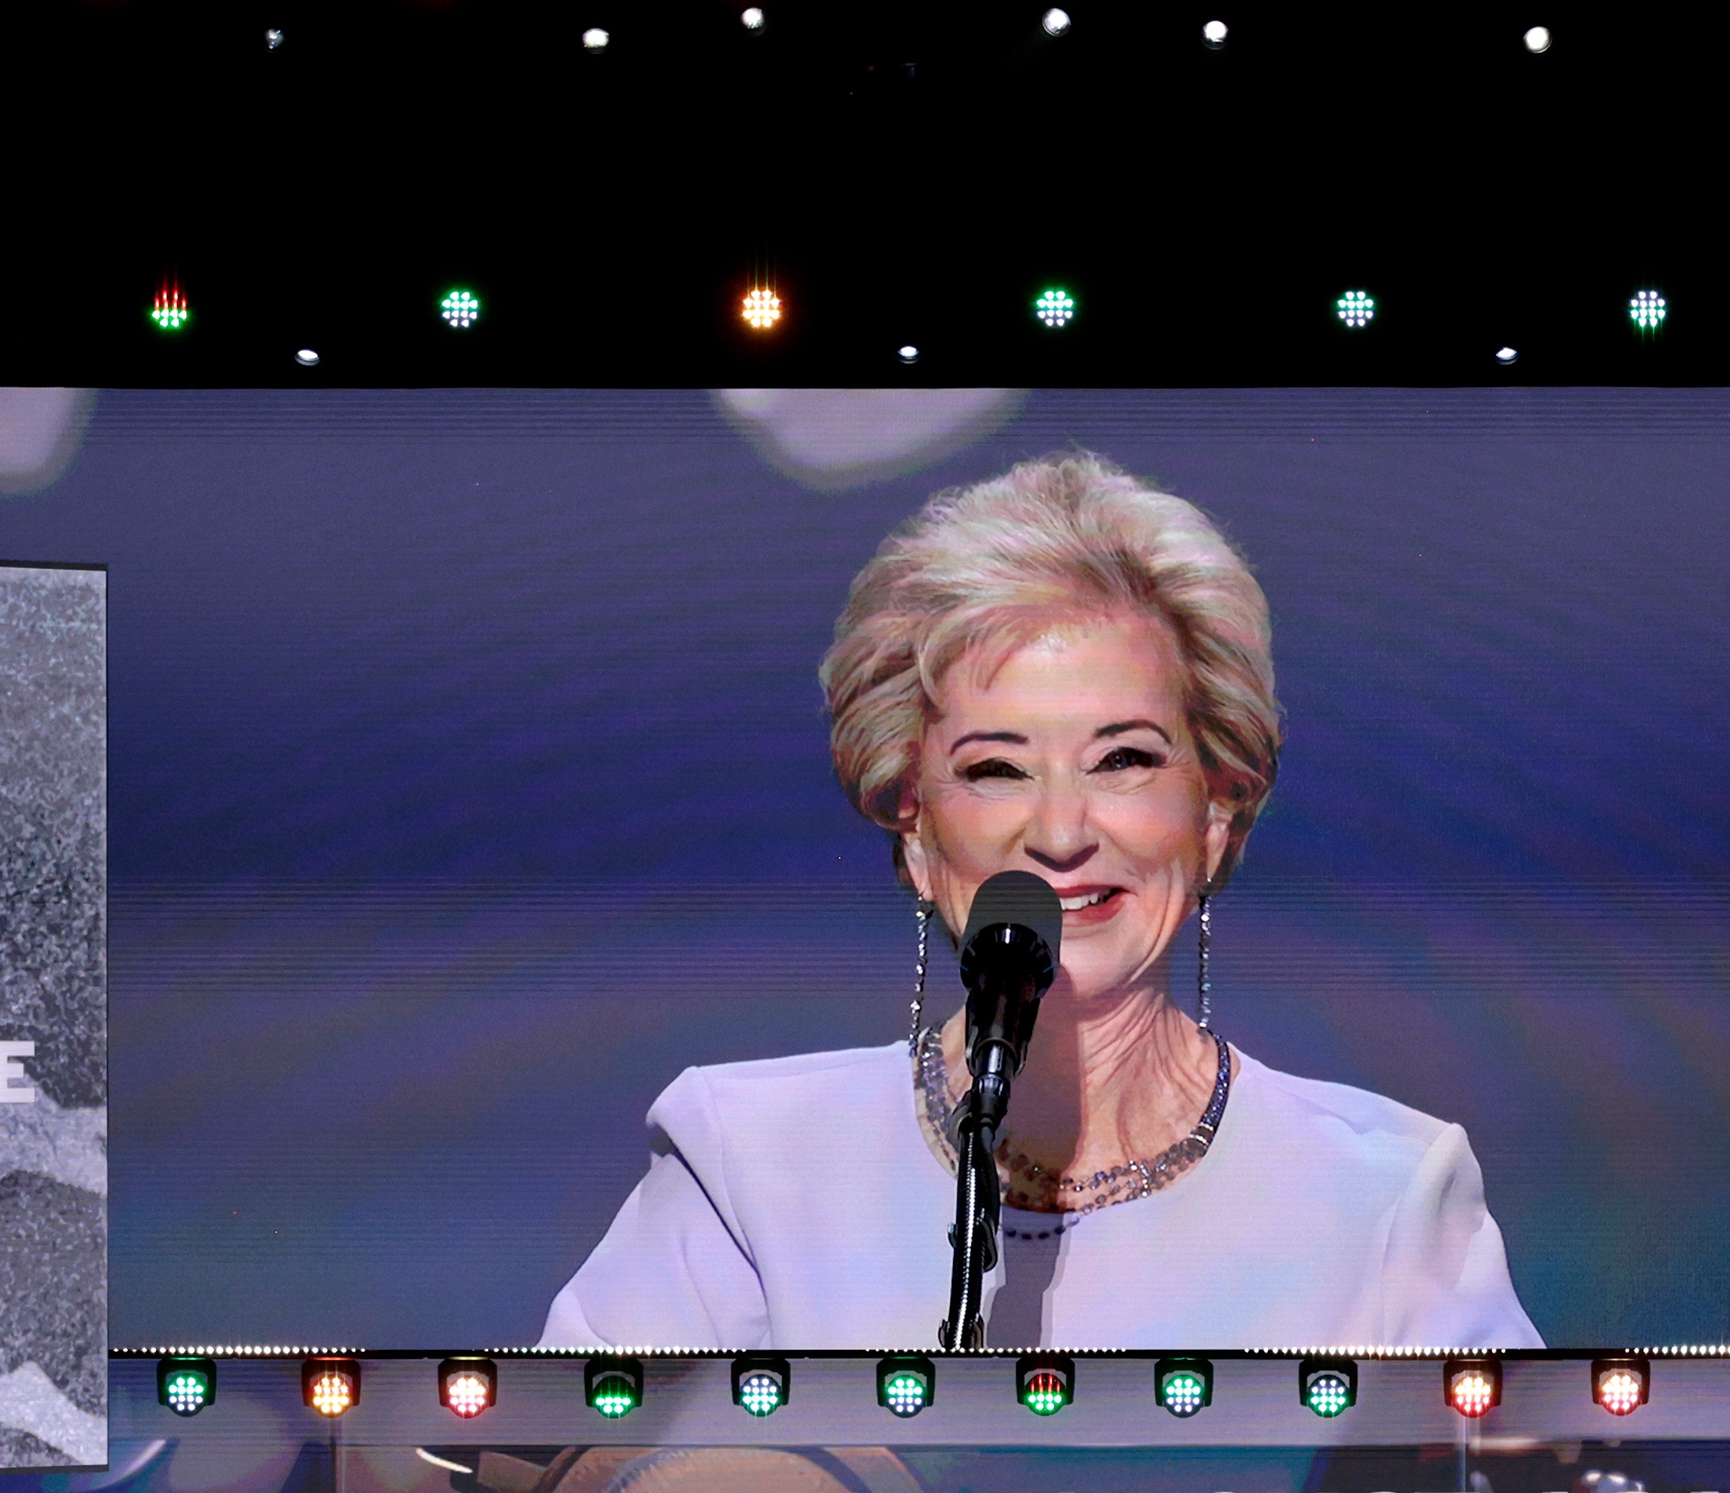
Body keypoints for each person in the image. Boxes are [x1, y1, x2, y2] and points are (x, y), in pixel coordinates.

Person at [541, 448, 1542, 1352]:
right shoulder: (749, 1167)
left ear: (1216, 810)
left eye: (1123, 759)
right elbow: (564, 1474)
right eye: (996, 769)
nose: (1062, 831)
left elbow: (1503, 1492)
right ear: (914, 827)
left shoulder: (1385, 1201)